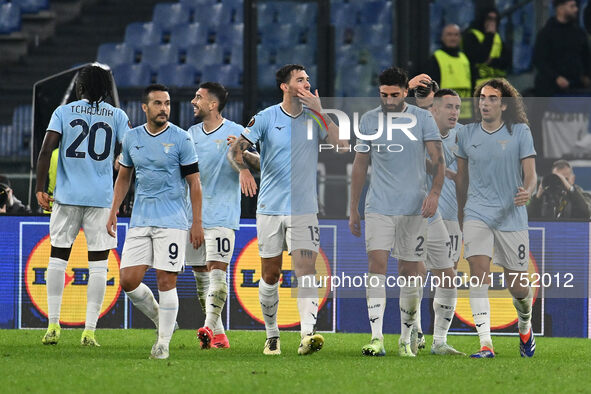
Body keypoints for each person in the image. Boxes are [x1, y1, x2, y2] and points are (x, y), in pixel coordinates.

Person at [230, 64, 346, 355]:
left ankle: (308, 335)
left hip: (304, 208)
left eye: (308, 79)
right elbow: (237, 149)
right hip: (270, 207)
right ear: (285, 86)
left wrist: (320, 110)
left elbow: (342, 146)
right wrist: (244, 170)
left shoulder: (315, 117)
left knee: (306, 270)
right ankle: (272, 336)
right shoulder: (266, 117)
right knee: (270, 274)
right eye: (300, 80)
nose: (306, 83)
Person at [348, 67, 445, 357]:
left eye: (394, 94)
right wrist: (353, 208)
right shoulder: (369, 120)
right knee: (376, 266)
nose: (388, 100)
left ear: (405, 92)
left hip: (414, 208)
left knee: (410, 272)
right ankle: (376, 338)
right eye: (383, 95)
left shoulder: (422, 118)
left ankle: (406, 338)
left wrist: (435, 193)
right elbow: (360, 165)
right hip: (378, 206)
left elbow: (437, 159)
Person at [35, 65, 130, 346]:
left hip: (66, 197)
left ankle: (53, 326)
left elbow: (45, 150)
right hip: (101, 198)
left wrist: (40, 188)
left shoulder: (63, 112)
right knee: (99, 264)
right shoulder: (118, 115)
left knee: (57, 258)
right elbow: (132, 150)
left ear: (80, 86)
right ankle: (89, 331)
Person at [106, 84, 204, 360]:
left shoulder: (182, 139)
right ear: (145, 108)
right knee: (128, 280)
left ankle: (163, 344)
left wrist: (196, 222)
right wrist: (113, 210)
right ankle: (164, 320)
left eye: (168, 103)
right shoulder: (132, 138)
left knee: (165, 280)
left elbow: (194, 183)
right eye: (158, 104)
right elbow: (124, 177)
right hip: (140, 219)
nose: (164, 109)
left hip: (172, 221)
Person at [455, 78, 537, 358]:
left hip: (512, 214)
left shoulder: (520, 131)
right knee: (478, 275)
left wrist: (528, 191)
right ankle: (486, 344)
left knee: (518, 286)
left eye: (492, 98)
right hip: (477, 213)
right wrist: (459, 212)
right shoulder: (466, 134)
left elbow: (531, 174)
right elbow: (462, 178)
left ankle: (525, 326)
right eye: (482, 98)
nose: (485, 102)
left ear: (504, 104)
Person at [186, 82, 257, 350]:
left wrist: (245, 157)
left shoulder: (236, 131)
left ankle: (206, 326)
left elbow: (262, 164)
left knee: (217, 271)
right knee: (201, 275)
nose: (193, 101)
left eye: (198, 97)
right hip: (194, 217)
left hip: (223, 215)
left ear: (213, 104)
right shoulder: (190, 134)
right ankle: (219, 335)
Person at [533, 0, 591, 96]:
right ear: (560, 8)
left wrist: (586, 76)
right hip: (551, 86)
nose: (576, 9)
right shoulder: (546, 33)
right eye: (572, 6)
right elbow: (539, 60)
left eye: (576, 6)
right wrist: (556, 77)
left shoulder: (579, 33)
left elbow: (586, 58)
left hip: (575, 85)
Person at [426, 24, 472, 119]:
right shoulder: (436, 59)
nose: (453, 38)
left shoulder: (465, 59)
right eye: (449, 34)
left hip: (465, 116)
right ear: (442, 37)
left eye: (456, 35)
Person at [463, 7, 511, 89]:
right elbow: (480, 58)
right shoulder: (472, 35)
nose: (492, 22)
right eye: (489, 18)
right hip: (478, 84)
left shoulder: (497, 37)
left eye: (495, 19)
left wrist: (492, 61)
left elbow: (507, 61)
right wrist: (489, 35)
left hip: (498, 84)